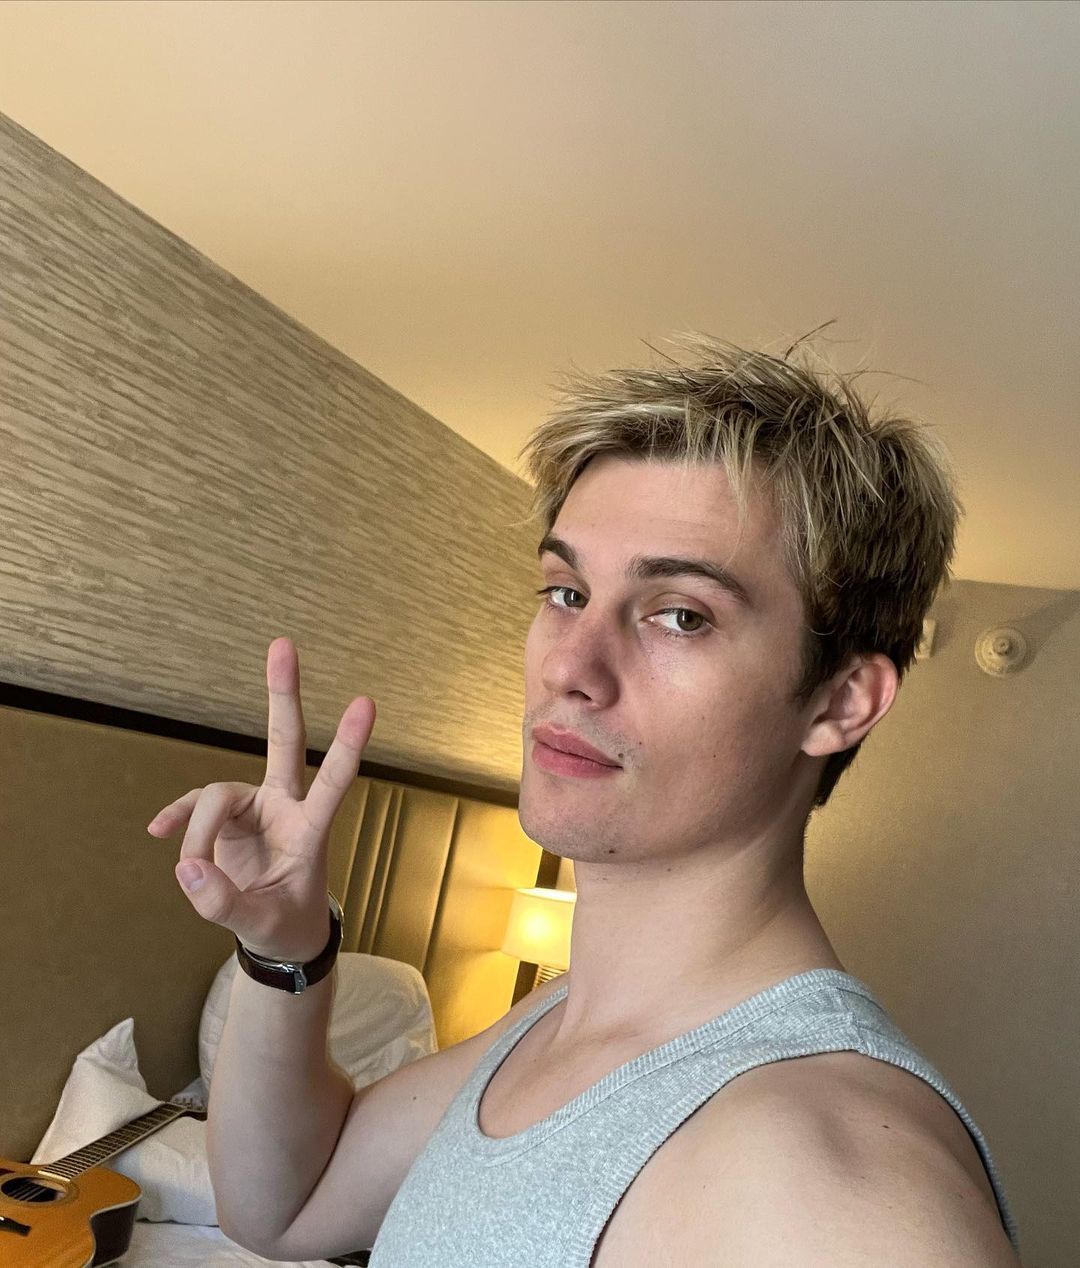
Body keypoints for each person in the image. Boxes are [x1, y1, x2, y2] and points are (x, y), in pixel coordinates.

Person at [149, 334, 1022, 1265]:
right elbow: (285, 1206)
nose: (568, 666)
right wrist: (286, 953)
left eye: (681, 615)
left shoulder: (827, 1180)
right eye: (567, 592)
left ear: (840, 702)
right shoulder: (558, 1020)